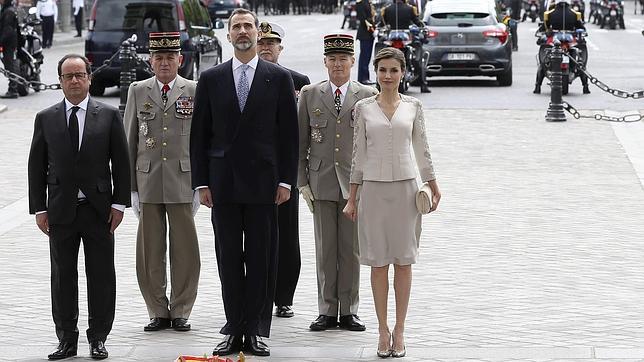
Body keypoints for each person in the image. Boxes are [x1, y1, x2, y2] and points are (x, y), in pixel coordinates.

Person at [190, 8, 298, 357]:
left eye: (247, 25)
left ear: (257, 33)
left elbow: (288, 137)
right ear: (228, 35)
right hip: (223, 185)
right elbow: (199, 136)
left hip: (264, 184)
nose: (242, 31)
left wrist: (286, 181)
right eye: (235, 26)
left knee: (261, 258)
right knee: (228, 259)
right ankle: (233, 327)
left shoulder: (277, 78)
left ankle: (255, 330)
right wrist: (201, 183)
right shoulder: (212, 78)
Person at [27, 54, 131, 360]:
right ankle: (66, 339)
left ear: (89, 78)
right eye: (68, 76)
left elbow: (122, 164)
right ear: (60, 81)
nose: (74, 81)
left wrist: (119, 204)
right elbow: (36, 167)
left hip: (98, 210)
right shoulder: (46, 118)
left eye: (79, 75)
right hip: (60, 211)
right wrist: (39, 208)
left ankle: (98, 336)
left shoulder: (108, 115)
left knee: (101, 275)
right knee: (62, 276)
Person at [343, 47, 441, 358]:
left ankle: (400, 328)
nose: (387, 76)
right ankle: (382, 328)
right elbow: (357, 155)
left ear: (403, 73)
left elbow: (422, 148)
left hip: (406, 193)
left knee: (403, 261)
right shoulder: (363, 108)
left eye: (393, 71)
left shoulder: (414, 106)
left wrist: (435, 186)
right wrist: (352, 197)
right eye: (382, 70)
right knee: (377, 263)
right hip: (372, 191)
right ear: (376, 72)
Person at [297, 34, 377, 333]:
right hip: (320, 182)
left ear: (353, 61)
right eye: (332, 59)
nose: (338, 65)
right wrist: (302, 182)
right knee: (325, 248)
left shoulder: (367, 94)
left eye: (343, 59)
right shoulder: (310, 94)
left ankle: (350, 310)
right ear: (325, 62)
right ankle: (327, 310)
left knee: (351, 249)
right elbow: (301, 142)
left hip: (355, 185)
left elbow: (372, 142)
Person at [123, 32, 201, 334]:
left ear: (180, 59)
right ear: (150, 61)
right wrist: (130, 187)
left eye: (170, 57)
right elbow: (129, 138)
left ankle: (181, 309)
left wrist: (200, 184)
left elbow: (200, 140)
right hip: (148, 180)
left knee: (185, 250)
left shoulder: (193, 89)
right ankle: (157, 309)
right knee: (149, 250)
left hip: (183, 178)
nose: (165, 63)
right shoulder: (138, 90)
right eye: (159, 58)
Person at [256, 21, 310, 319]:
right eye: (262, 43)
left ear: (280, 48)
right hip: (252, 170)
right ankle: (258, 292)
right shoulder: (243, 77)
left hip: (284, 170)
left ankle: (284, 296)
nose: (266, 48)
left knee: (287, 235)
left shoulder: (298, 80)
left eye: (271, 44)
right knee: (253, 235)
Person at [533, 0, 589, 94]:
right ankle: (585, 86)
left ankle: (537, 86)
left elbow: (544, 27)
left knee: (543, 64)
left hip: (555, 41)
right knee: (580, 64)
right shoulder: (575, 14)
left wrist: (544, 32)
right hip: (570, 41)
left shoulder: (549, 13)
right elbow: (581, 27)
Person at [0, 0, 18, 98]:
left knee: (10, 66)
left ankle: (13, 89)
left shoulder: (8, 12)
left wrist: (1, 42)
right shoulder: (7, 10)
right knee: (9, 65)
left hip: (8, 44)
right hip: (9, 43)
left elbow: (8, 30)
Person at [356, 0, 375, 85]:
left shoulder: (368, 2)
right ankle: (363, 78)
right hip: (365, 33)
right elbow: (363, 18)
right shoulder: (361, 2)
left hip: (369, 34)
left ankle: (365, 77)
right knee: (364, 56)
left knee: (367, 57)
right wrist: (371, 27)